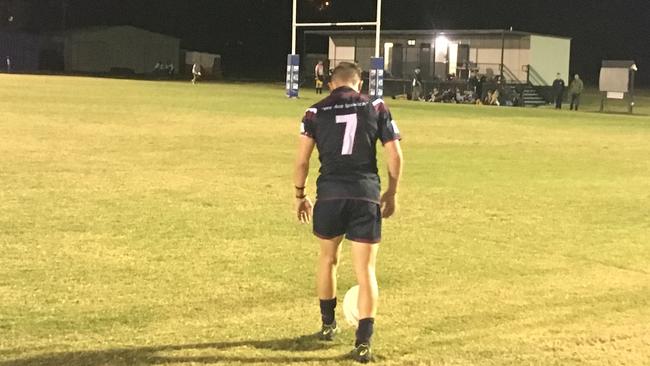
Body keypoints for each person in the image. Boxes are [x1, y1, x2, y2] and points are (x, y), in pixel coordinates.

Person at [293, 62, 403, 363]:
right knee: (365, 270)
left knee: (328, 259)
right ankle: (363, 343)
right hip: (365, 194)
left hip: (330, 195)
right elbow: (395, 154)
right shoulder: (377, 106)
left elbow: (302, 161)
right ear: (360, 83)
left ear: (330, 84)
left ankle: (328, 326)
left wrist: (300, 195)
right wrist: (391, 192)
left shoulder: (314, 112)